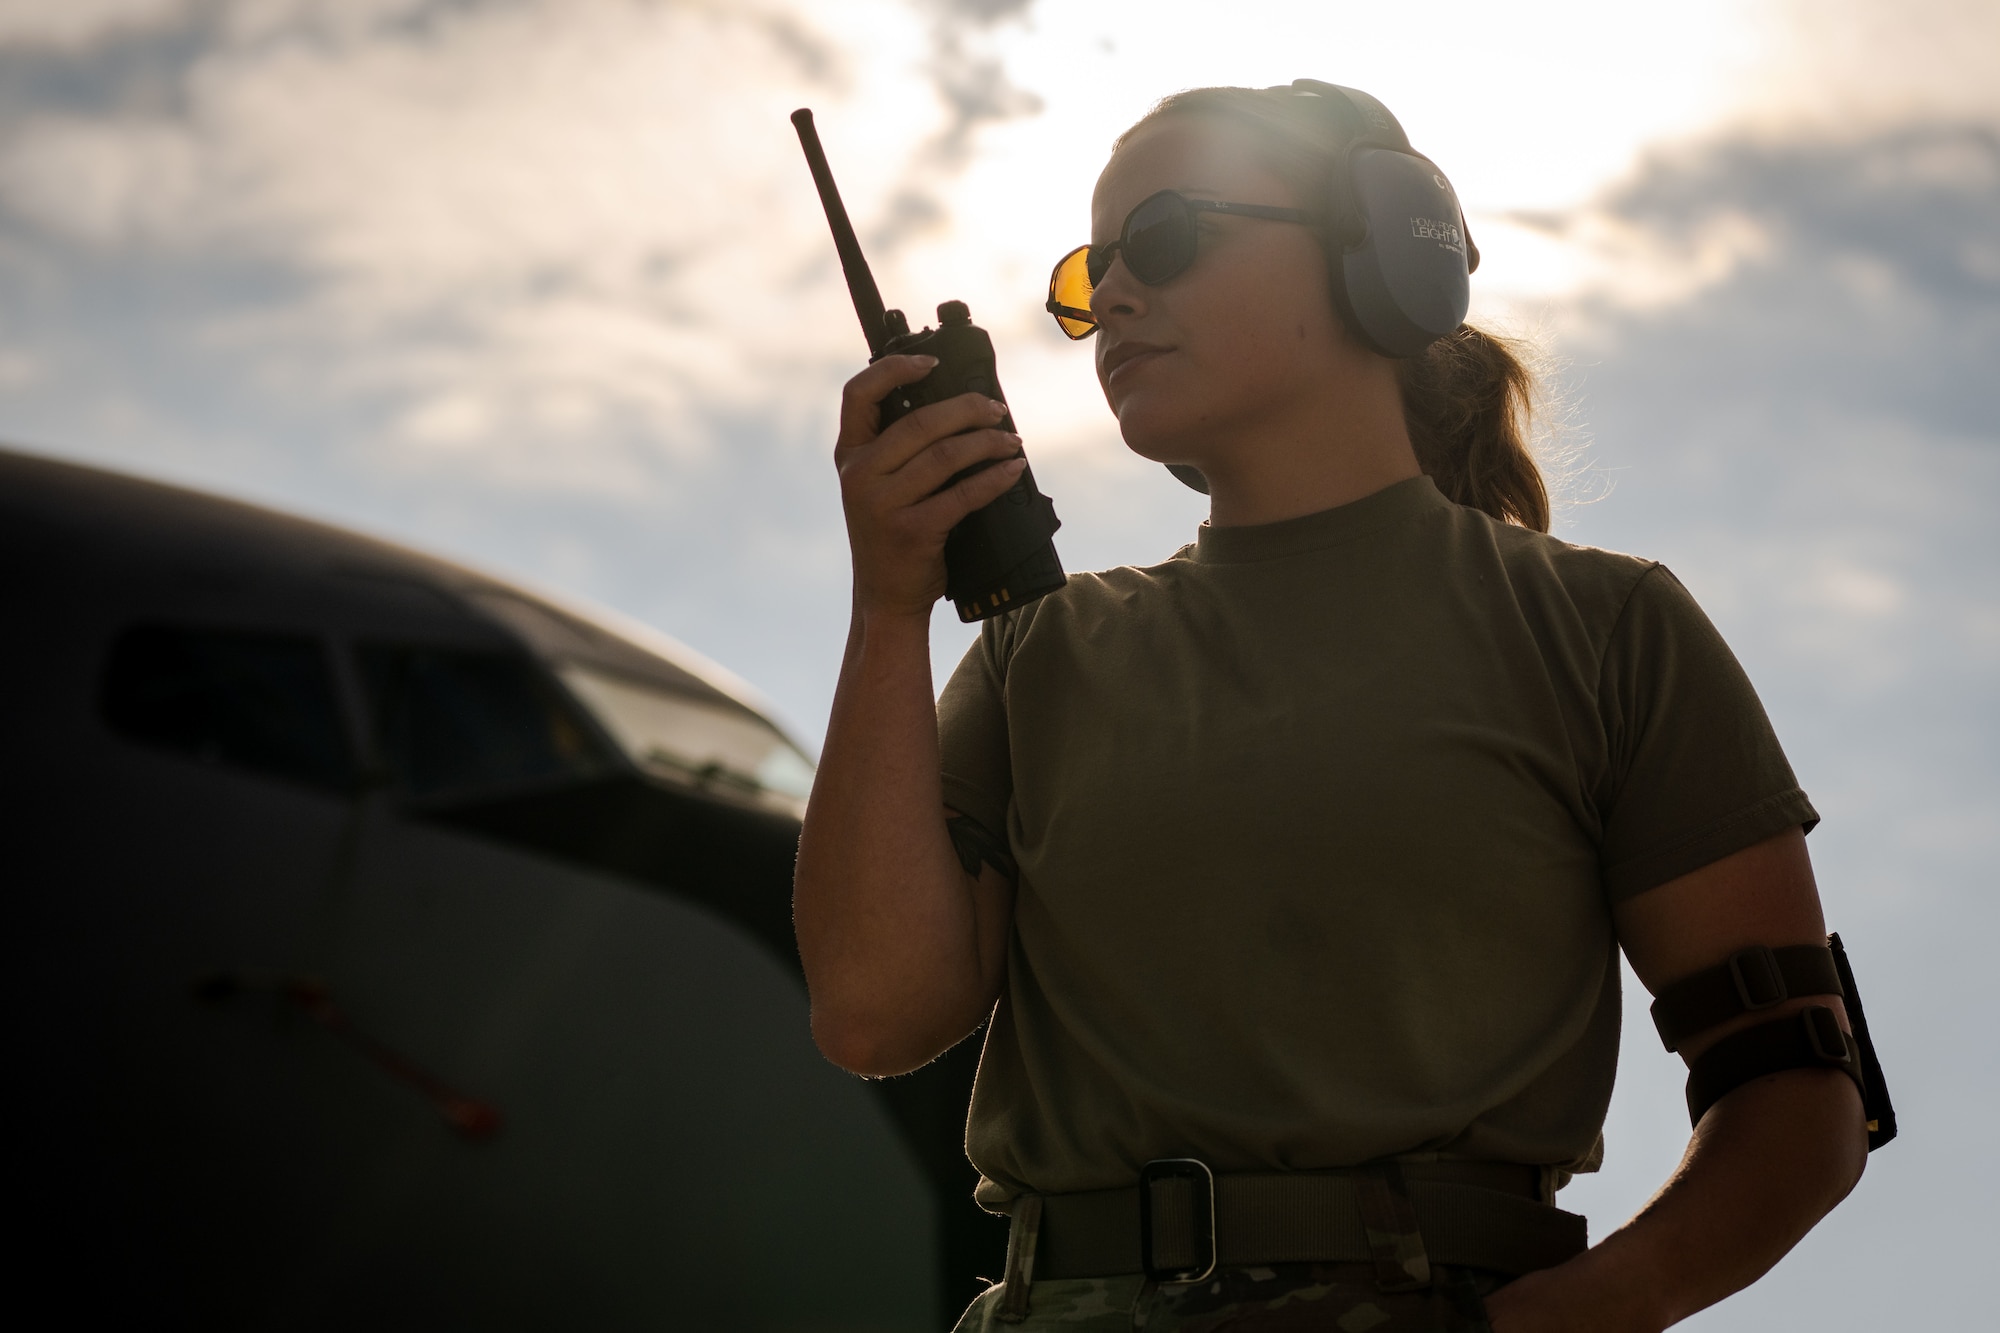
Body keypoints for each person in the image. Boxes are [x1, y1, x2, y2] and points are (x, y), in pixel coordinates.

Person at [793, 82, 1870, 1332]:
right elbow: (873, 1013)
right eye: (1093, 274)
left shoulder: (1602, 632)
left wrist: (1560, 1319)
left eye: (1164, 237)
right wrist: (887, 612)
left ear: (1382, 252)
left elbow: (1797, 1095)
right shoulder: (1042, 655)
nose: (1115, 300)